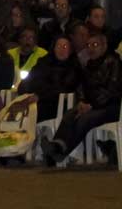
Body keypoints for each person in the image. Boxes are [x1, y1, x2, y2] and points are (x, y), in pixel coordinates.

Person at [42, 33, 122, 166]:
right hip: (94, 105)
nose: (91, 48)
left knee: (85, 118)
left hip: (113, 106)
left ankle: (58, 151)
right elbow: (82, 88)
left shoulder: (114, 63)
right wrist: (82, 102)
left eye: (95, 45)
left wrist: (91, 105)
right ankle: (56, 147)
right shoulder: (89, 65)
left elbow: (111, 91)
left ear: (104, 46)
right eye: (88, 45)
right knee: (69, 114)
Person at [18, 35, 81, 122]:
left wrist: (40, 96)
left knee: (32, 112)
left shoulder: (74, 67)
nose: (61, 49)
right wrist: (27, 94)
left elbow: (64, 88)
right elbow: (27, 82)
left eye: (65, 46)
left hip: (57, 105)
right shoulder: (43, 62)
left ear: (70, 50)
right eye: (58, 46)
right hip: (35, 100)